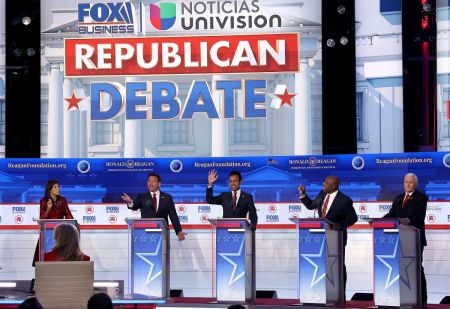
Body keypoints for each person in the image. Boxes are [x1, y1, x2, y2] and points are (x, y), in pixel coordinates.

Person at [298, 175, 357, 291]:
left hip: (337, 237)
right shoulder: (322, 194)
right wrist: (303, 195)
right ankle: (322, 291)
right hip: (320, 237)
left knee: (337, 265)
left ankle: (339, 293)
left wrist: (339, 224)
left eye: (326, 183)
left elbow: (353, 218)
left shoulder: (345, 200)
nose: (323, 184)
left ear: (333, 185)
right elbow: (311, 206)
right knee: (321, 264)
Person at [383, 173, 427, 305]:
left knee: (416, 268)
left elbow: (418, 216)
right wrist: (378, 221)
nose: (408, 184)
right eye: (406, 182)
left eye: (411, 182)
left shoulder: (421, 198)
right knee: (401, 269)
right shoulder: (398, 198)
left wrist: (406, 221)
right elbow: (392, 214)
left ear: (416, 184)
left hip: (414, 238)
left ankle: (421, 300)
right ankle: (403, 297)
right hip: (399, 239)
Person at [121, 172, 186, 241]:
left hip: (162, 233)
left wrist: (178, 231)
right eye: (149, 181)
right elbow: (134, 206)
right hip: (146, 234)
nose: (150, 183)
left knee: (163, 251)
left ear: (159, 184)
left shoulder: (167, 197)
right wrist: (130, 201)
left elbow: (173, 216)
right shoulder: (142, 196)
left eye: (153, 181)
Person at [32, 180, 74, 266]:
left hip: (60, 231)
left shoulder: (63, 200)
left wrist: (73, 224)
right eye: (55, 187)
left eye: (58, 186)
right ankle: (42, 273)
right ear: (50, 189)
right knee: (42, 254)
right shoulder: (44, 200)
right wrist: (48, 208)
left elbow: (68, 214)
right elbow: (42, 218)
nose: (58, 189)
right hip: (47, 231)